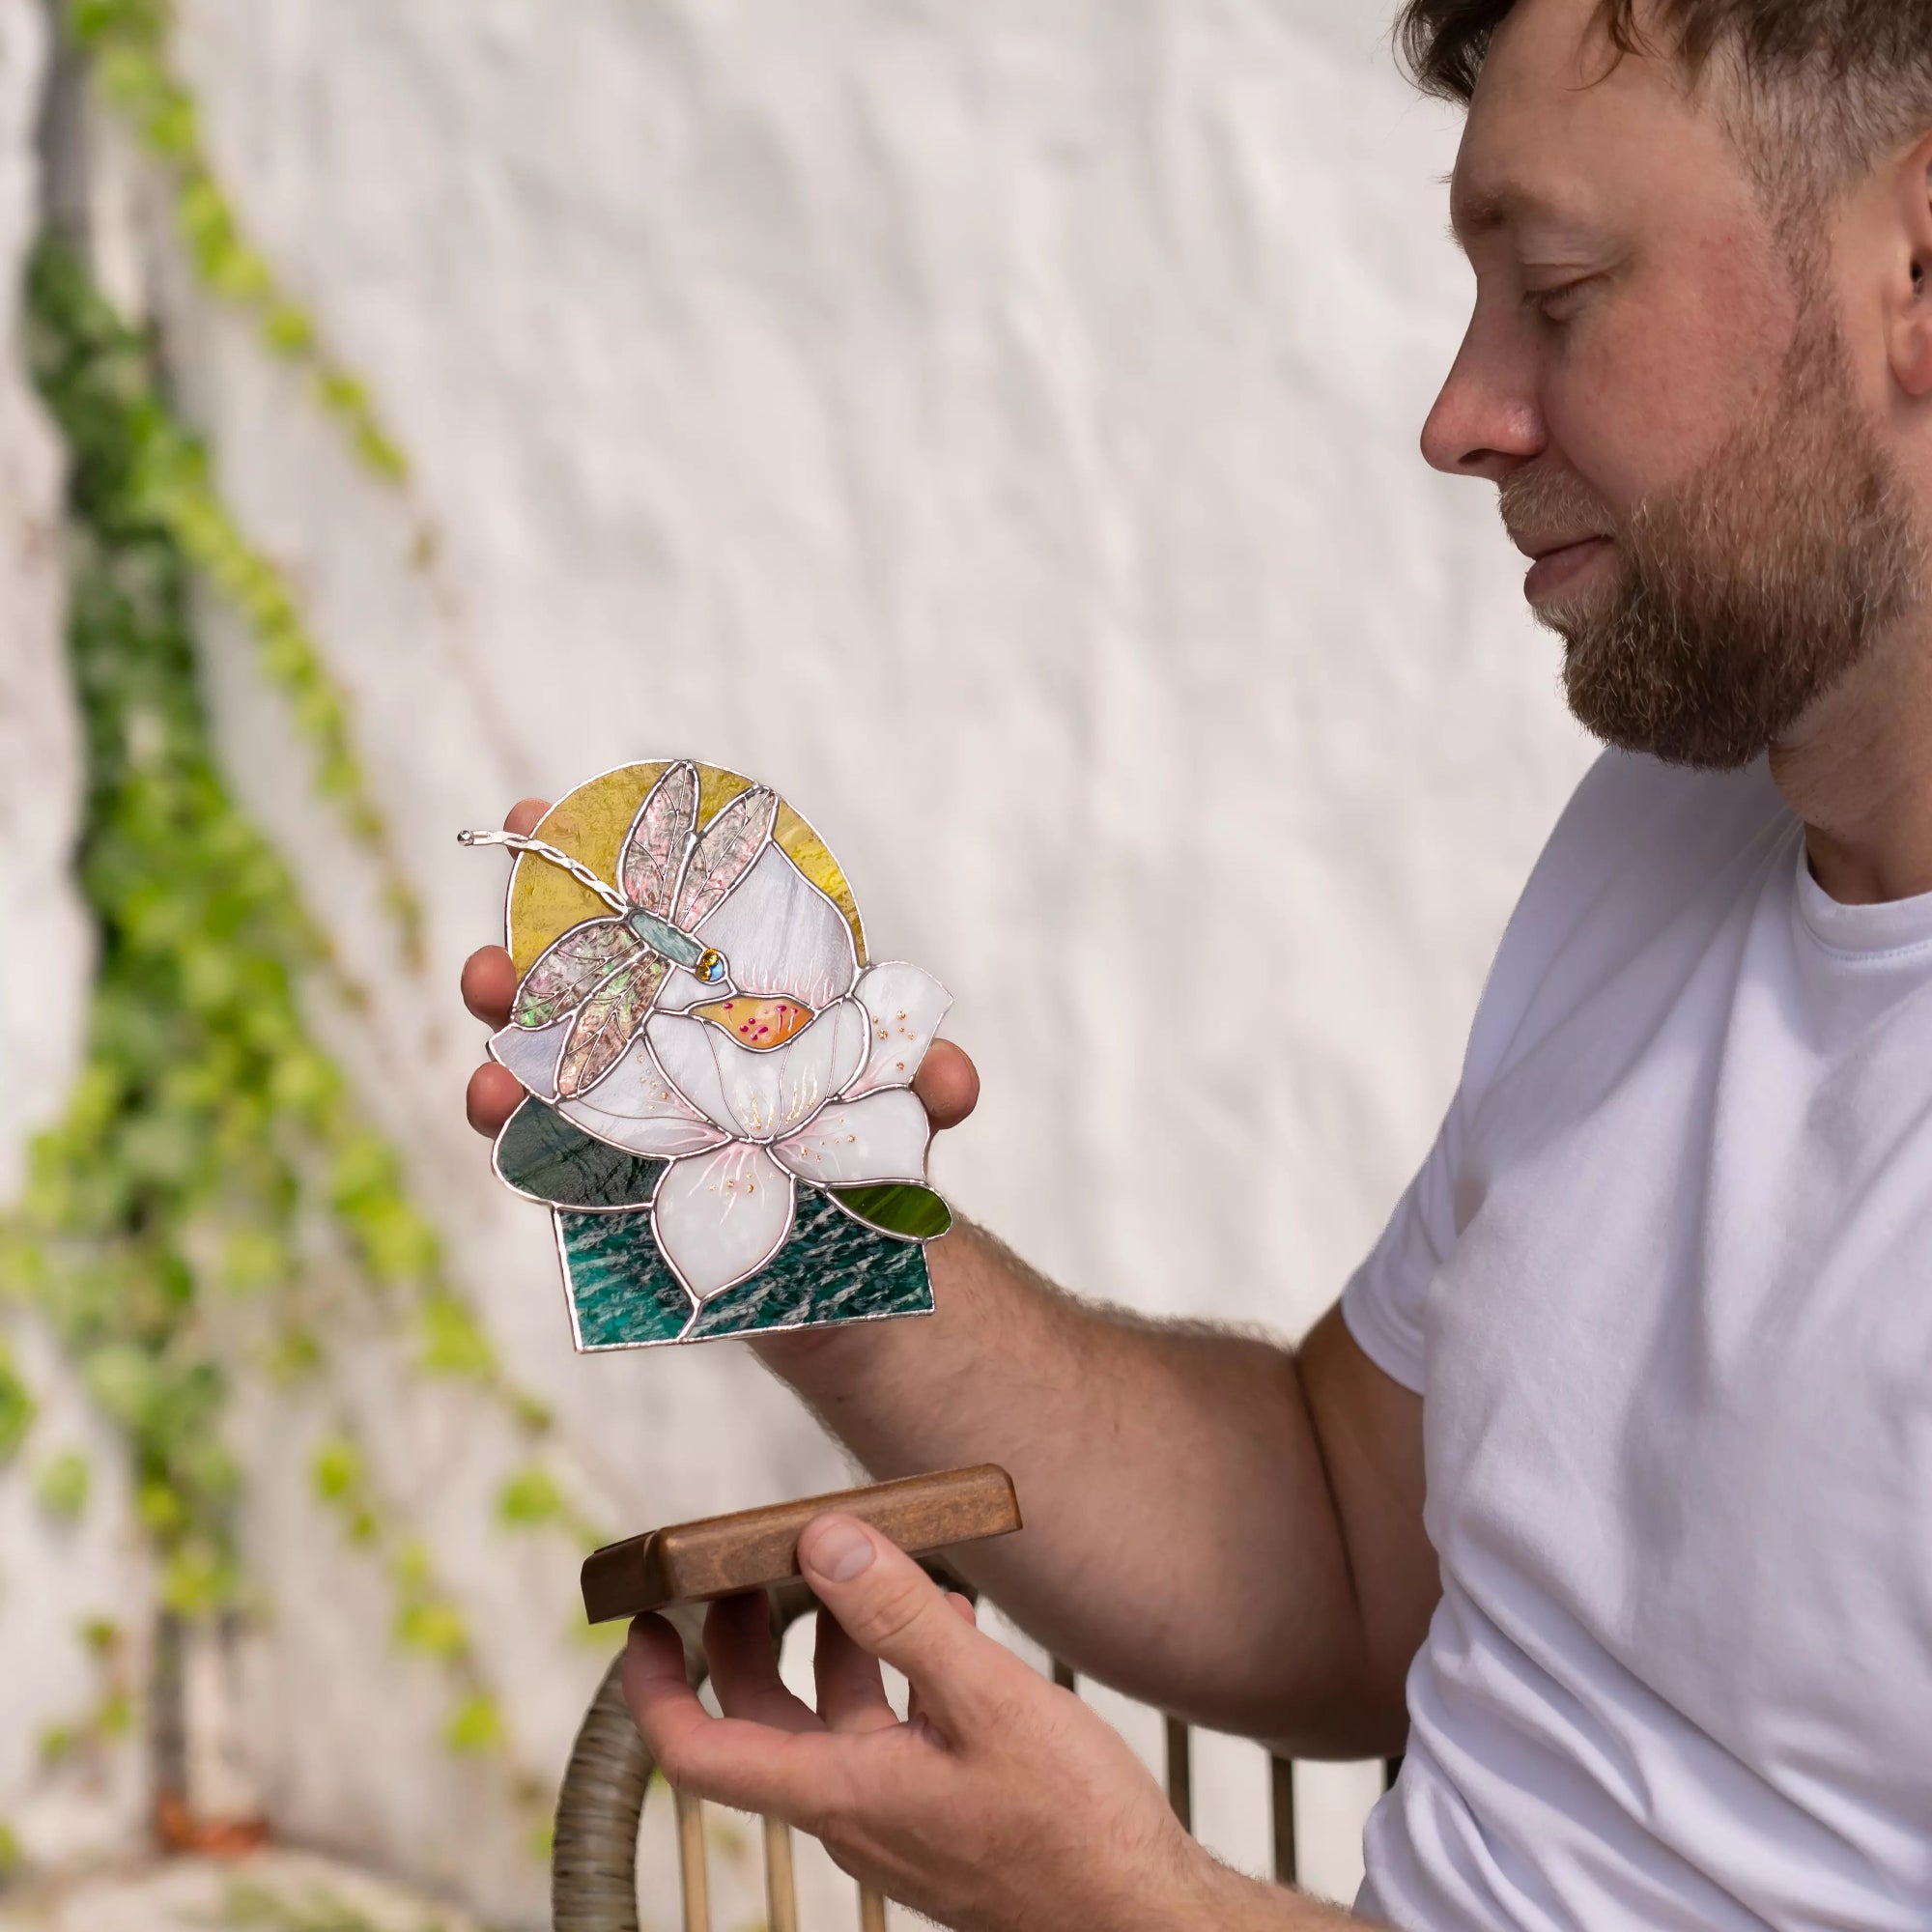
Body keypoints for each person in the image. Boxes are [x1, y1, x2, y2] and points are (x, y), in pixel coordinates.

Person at [461, 0, 1932, 1922]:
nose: (1460, 414)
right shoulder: (1673, 834)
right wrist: (798, 1230)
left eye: (1558, 295)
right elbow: (1344, 1553)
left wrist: (1130, 1905)